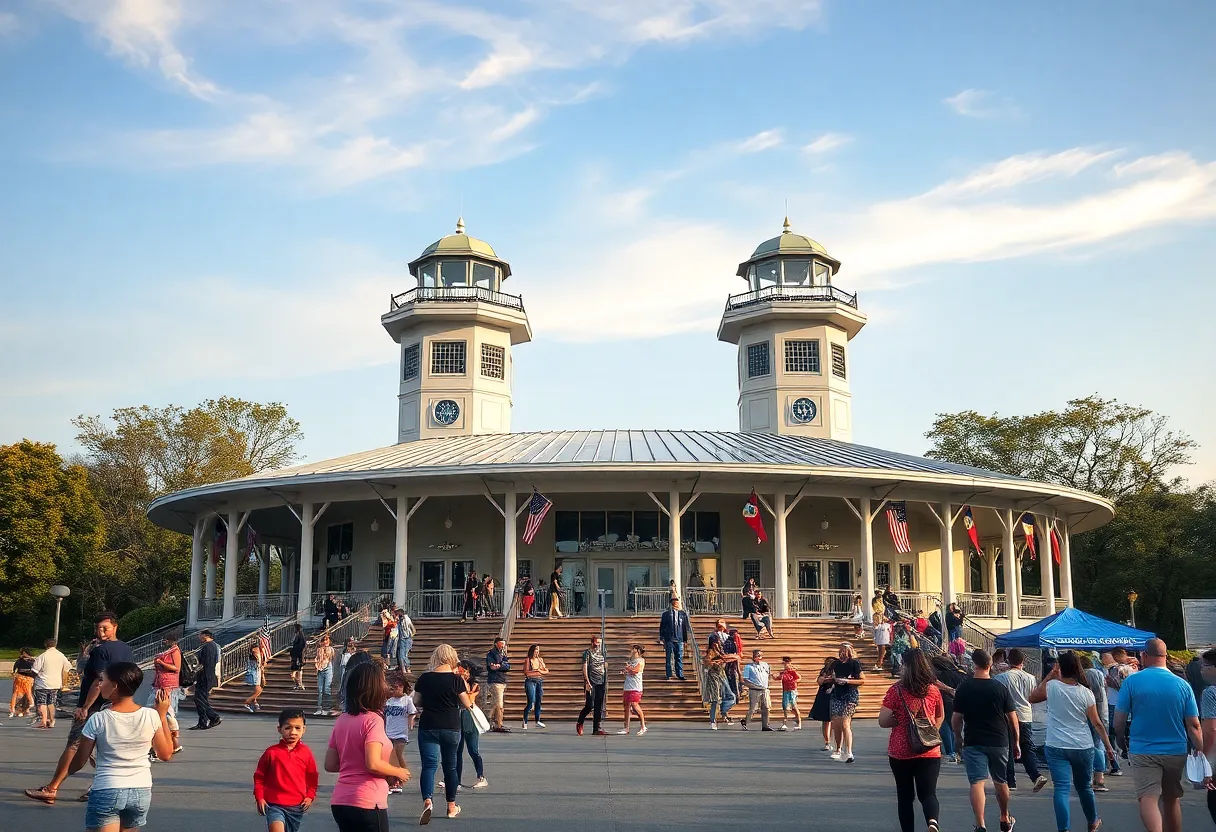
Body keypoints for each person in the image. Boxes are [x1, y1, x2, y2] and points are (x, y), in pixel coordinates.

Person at [24, 611, 136, 806]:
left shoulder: (102, 651)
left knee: (74, 746)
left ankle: (52, 789)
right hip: (116, 706)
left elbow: (99, 681)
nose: (100, 631)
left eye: (105, 628)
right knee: (106, 749)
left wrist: (85, 706)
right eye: (98, 628)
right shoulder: (126, 649)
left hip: (93, 706)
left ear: (115, 627)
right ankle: (99, 787)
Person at [66, 662, 175, 829]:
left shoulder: (98, 719)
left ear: (115, 686)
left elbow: (79, 761)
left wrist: (67, 771)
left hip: (107, 788)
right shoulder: (151, 715)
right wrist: (161, 715)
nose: (100, 684)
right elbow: (165, 754)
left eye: (103, 680)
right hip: (141, 789)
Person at [1114, 638, 1202, 832]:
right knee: (1172, 799)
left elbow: (1118, 722)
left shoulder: (1132, 681)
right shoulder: (1182, 685)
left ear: (1144, 656)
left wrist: (1122, 743)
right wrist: (1201, 751)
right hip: (1175, 749)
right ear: (1165, 655)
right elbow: (1194, 724)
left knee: (1148, 797)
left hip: (1143, 749)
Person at [1029, 651, 1115, 832]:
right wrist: (1108, 747)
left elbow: (1033, 697)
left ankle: (1064, 829)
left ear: (1060, 667)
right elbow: (1097, 723)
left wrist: (1051, 675)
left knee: (1061, 788)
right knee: (1084, 787)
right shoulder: (1086, 693)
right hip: (1082, 746)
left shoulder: (1052, 687)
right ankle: (1092, 821)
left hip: (1056, 744)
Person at [326, 662, 410, 831]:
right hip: (367, 801)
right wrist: (398, 771)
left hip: (341, 801)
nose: (386, 685)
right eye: (383, 681)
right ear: (374, 687)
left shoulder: (342, 719)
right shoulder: (373, 720)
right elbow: (372, 763)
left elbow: (331, 764)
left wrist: (383, 774)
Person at [951, 648, 1018, 832]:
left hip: (973, 740)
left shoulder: (965, 687)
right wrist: (1017, 741)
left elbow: (956, 717)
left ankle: (980, 824)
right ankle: (1004, 816)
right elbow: (1013, 718)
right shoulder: (1000, 688)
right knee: (1000, 781)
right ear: (990, 665)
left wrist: (958, 737)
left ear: (974, 665)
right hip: (999, 740)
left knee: (977, 782)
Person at [879, 649, 944, 832]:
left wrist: (899, 721)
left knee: (905, 796)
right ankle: (932, 821)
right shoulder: (933, 690)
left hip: (901, 751)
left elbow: (883, 720)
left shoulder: (896, 690)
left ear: (906, 666)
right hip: (929, 751)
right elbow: (940, 716)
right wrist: (927, 734)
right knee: (929, 793)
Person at [413, 644, 474, 823]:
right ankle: (451, 806)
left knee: (429, 766)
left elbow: (416, 701)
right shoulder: (456, 680)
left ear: (436, 657)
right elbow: (466, 704)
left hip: (428, 726)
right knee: (450, 766)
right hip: (451, 726)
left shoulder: (424, 678)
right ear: (452, 658)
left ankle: (427, 800)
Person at [254, 709, 319, 832]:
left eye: (297, 728)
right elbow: (259, 776)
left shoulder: (306, 753)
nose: (293, 732)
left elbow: (312, 777)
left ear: (303, 729)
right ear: (279, 729)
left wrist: (310, 796)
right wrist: (260, 797)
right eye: (288, 728)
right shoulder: (271, 752)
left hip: (297, 806)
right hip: (274, 804)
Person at [996, 648, 1048, 792]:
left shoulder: (1001, 677)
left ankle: (1010, 780)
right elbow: (1032, 696)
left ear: (1008, 661)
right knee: (1026, 747)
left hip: (1007, 714)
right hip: (1025, 714)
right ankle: (1035, 775)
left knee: (1008, 748)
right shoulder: (1030, 678)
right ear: (1023, 662)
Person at [1078, 653, 1113, 792]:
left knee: (1092, 744)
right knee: (1099, 743)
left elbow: (1088, 694)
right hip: (1102, 710)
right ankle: (1099, 777)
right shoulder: (1098, 673)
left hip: (1092, 711)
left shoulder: (1087, 674)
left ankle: (1096, 778)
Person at [828, 642, 865, 763]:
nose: (841, 653)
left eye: (844, 650)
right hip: (836, 694)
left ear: (849, 651)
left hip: (850, 695)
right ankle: (838, 749)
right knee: (836, 724)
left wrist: (847, 681)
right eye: (840, 650)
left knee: (845, 723)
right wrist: (832, 680)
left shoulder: (854, 663)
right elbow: (829, 676)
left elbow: (862, 680)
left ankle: (849, 751)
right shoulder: (835, 664)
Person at [454, 661, 489, 790]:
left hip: (469, 717)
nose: (463, 673)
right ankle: (456, 780)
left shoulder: (474, 685)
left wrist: (462, 681)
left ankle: (481, 776)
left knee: (473, 750)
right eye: (462, 671)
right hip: (458, 717)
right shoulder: (456, 682)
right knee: (457, 750)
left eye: (465, 671)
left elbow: (469, 699)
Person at [149, 635, 183, 759]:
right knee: (155, 710)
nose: (163, 642)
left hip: (168, 684)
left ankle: (173, 741)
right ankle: (166, 742)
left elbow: (176, 668)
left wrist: (161, 663)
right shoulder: (166, 652)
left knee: (168, 713)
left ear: (171, 641)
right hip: (159, 683)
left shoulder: (175, 651)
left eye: (165, 640)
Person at [384, 672, 417, 795]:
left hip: (401, 733)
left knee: (397, 754)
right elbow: (385, 716)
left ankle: (400, 778)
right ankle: (395, 779)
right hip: (389, 732)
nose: (394, 690)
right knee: (389, 757)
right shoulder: (389, 701)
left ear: (403, 687)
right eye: (393, 688)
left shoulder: (406, 700)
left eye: (397, 687)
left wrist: (410, 722)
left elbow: (413, 712)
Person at [931, 654, 966, 764]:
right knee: (957, 729)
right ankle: (959, 752)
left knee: (945, 727)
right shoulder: (960, 673)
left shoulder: (943, 675)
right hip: (958, 703)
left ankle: (951, 752)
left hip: (945, 702)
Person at [31, 637, 72, 730]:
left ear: (45, 645)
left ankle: (43, 721)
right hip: (56, 683)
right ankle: (52, 720)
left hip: (42, 683)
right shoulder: (61, 655)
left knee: (42, 702)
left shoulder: (42, 656)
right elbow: (67, 667)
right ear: (55, 645)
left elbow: (34, 671)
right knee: (52, 702)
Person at [1197, 647, 1216, 825]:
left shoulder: (1211, 692)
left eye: (1205, 665)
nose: (1201, 669)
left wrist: (1207, 766)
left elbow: (1211, 730)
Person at [577, 635, 608, 736]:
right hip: (591, 682)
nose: (598, 644)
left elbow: (604, 665)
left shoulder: (603, 652)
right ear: (592, 642)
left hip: (601, 681)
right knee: (590, 705)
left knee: (599, 706)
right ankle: (580, 722)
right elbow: (584, 667)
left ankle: (596, 728)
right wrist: (586, 681)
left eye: (600, 642)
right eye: (597, 642)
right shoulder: (587, 653)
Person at [702, 639, 735, 731]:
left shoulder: (722, 652)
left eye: (719, 644)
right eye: (716, 644)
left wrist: (723, 659)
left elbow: (734, 657)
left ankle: (723, 712)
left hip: (722, 677)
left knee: (731, 696)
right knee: (714, 700)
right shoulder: (710, 652)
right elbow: (707, 662)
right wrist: (716, 662)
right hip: (713, 678)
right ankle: (713, 721)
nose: (718, 645)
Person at [192, 629, 222, 730]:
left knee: (200, 699)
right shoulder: (209, 646)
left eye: (200, 635)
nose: (199, 637)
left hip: (205, 677)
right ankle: (202, 722)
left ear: (205, 636)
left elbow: (207, 663)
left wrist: (197, 670)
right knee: (200, 699)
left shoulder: (209, 646)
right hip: (203, 676)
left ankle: (214, 717)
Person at [659, 597, 692, 681]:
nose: (676, 604)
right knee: (669, 657)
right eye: (675, 602)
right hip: (669, 638)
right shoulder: (666, 614)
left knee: (679, 657)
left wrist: (685, 640)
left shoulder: (683, 614)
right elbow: (662, 626)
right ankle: (668, 674)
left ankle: (680, 674)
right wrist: (662, 637)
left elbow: (685, 627)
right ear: (672, 603)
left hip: (679, 638)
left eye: (677, 602)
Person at [618, 644, 647, 735]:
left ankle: (643, 726)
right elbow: (629, 671)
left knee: (635, 705)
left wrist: (628, 668)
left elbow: (636, 671)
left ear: (637, 651)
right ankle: (626, 727)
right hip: (628, 685)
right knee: (626, 706)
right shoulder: (631, 660)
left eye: (633, 649)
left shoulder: (641, 660)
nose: (632, 651)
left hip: (636, 686)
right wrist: (624, 671)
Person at [741, 648, 773, 731]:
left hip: (764, 689)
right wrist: (752, 686)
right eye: (757, 655)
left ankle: (765, 725)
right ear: (753, 656)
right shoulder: (749, 667)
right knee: (753, 708)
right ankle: (746, 721)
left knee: (766, 707)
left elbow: (769, 674)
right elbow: (745, 679)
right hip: (754, 689)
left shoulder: (765, 665)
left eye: (760, 655)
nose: (759, 656)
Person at [484, 636, 511, 732]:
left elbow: (508, 666)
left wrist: (499, 665)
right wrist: (500, 665)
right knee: (499, 704)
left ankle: (488, 720)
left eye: (504, 643)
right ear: (496, 643)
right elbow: (491, 667)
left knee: (494, 703)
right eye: (501, 643)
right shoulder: (491, 654)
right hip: (495, 681)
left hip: (502, 680)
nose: (503, 645)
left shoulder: (503, 653)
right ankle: (499, 724)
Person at [809, 657, 836, 751]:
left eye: (831, 662)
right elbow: (819, 682)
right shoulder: (823, 671)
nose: (828, 663)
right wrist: (825, 679)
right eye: (827, 662)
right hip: (824, 695)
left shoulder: (838, 670)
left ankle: (837, 741)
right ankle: (827, 742)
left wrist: (833, 679)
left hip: (835, 694)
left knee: (836, 720)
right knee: (826, 720)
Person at [522, 643, 548, 729]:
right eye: (536, 650)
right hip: (530, 681)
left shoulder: (540, 660)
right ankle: (525, 720)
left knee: (538, 701)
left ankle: (537, 720)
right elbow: (526, 672)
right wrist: (539, 671)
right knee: (531, 701)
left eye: (538, 650)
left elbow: (546, 670)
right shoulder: (528, 660)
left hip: (539, 681)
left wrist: (539, 671)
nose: (537, 652)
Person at [314, 634, 336, 716]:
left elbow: (330, 656)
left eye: (327, 640)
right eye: (324, 640)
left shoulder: (330, 649)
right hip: (320, 669)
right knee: (320, 690)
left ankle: (327, 708)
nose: (325, 642)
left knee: (327, 689)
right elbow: (317, 658)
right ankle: (319, 708)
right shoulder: (319, 649)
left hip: (328, 668)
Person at [10, 647, 35, 718]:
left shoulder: (20, 661)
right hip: (26, 679)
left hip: (23, 679)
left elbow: (14, 671)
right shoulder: (31, 661)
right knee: (25, 694)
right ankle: (22, 709)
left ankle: (23, 709)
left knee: (21, 694)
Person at [244, 639, 267, 713]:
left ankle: (254, 702)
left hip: (257, 673)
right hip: (254, 674)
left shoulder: (258, 656)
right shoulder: (252, 656)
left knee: (258, 689)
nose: (257, 651)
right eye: (256, 649)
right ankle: (247, 702)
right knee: (258, 690)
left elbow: (262, 662)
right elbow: (258, 665)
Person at [779, 656, 802, 731]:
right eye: (785, 664)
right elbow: (778, 677)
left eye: (787, 663)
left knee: (794, 706)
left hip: (792, 690)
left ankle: (799, 723)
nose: (786, 665)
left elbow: (799, 678)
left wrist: (794, 682)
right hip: (785, 690)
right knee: (785, 707)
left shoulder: (793, 672)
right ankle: (785, 723)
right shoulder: (783, 673)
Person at [395, 607, 415, 672]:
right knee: (401, 655)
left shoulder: (406, 619)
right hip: (401, 639)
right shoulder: (399, 621)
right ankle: (404, 669)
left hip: (407, 639)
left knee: (403, 655)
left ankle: (407, 668)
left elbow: (413, 629)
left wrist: (410, 636)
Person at [289, 624, 307, 691]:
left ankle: (300, 684)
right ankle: (298, 684)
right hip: (295, 657)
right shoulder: (297, 636)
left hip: (298, 657)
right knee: (294, 674)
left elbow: (301, 647)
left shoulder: (300, 637)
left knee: (298, 672)